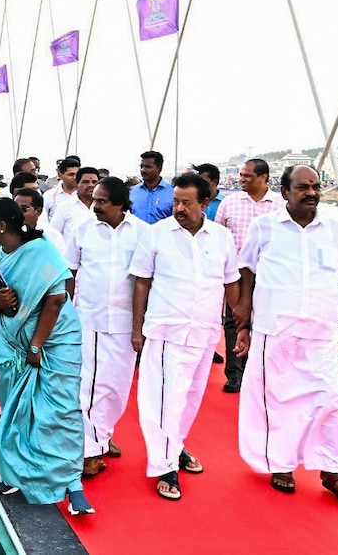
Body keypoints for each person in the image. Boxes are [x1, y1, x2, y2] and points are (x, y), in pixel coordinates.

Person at [233, 165, 338, 503]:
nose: (312, 193)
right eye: (303, 187)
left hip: (321, 330)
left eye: (316, 187)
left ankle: (331, 469)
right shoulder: (265, 227)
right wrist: (243, 313)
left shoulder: (332, 229)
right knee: (278, 399)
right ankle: (282, 463)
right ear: (285, 191)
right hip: (277, 328)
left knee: (331, 399)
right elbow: (246, 268)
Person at [0, 198, 93, 515]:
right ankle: (15, 472)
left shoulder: (42, 253)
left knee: (60, 411)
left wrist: (36, 346)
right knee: (13, 410)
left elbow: (57, 300)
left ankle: (72, 484)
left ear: (2, 226)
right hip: (12, 342)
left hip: (54, 340)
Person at [130, 172, 238, 501]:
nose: (178, 207)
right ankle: (164, 467)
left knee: (189, 400)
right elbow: (142, 282)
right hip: (166, 330)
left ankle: (174, 448)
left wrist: (243, 325)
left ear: (205, 203)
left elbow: (231, 282)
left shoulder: (221, 237)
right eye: (176, 201)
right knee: (164, 402)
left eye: (186, 203)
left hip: (204, 332)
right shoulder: (156, 234)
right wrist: (137, 329)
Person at [64, 176, 145, 477]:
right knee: (87, 386)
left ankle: (102, 434)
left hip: (125, 324)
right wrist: (65, 316)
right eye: (94, 200)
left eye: (101, 201)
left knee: (116, 387)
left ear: (120, 203)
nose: (95, 205)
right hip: (88, 320)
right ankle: (90, 451)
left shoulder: (142, 233)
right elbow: (69, 273)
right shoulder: (82, 229)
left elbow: (144, 283)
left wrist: (140, 327)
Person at [214, 158, 284, 393]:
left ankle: (262, 371)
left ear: (263, 177)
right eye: (241, 175)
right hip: (235, 275)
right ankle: (235, 373)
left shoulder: (281, 205)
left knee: (266, 322)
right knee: (234, 321)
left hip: (269, 276)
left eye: (247, 176)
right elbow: (218, 237)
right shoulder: (229, 203)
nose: (241, 179)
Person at [50, 166, 100, 238]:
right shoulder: (64, 207)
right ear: (76, 184)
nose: (91, 185)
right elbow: (54, 236)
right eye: (86, 182)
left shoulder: (104, 207)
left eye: (94, 182)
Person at [130, 150, 173, 223]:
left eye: (148, 167)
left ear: (159, 169)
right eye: (141, 166)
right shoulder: (132, 192)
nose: (143, 170)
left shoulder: (172, 192)